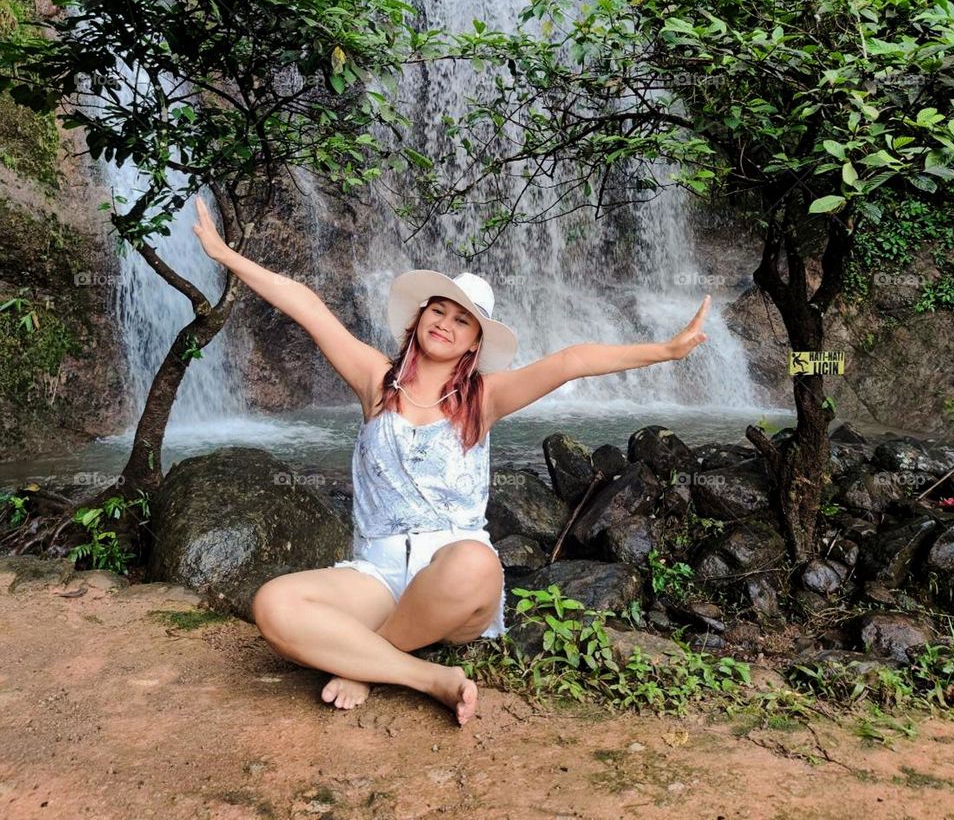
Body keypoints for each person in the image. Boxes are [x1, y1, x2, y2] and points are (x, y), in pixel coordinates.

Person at [191, 195, 711, 726]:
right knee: (274, 604)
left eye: (461, 320)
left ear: (473, 344)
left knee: (475, 562)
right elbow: (305, 305)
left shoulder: (483, 399)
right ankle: (423, 675)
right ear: (420, 318)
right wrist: (224, 254)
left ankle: (364, 662)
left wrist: (665, 352)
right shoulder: (376, 381)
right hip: (377, 572)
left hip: (454, 578)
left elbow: (571, 360)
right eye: (438, 309)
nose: (445, 322)